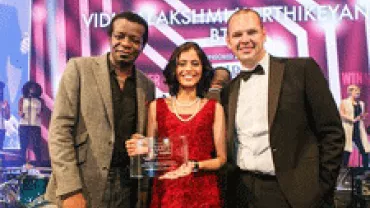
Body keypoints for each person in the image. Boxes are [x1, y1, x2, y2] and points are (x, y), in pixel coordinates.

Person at [221, 9, 345, 208]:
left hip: (293, 195)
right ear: (228, 42)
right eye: (237, 35)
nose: (245, 40)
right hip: (241, 193)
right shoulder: (228, 91)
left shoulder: (301, 70)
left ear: (264, 33)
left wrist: (320, 190)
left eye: (251, 32)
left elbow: (332, 133)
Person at [44, 11, 155, 208]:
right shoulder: (79, 69)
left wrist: (144, 185)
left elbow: (145, 140)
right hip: (83, 183)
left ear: (142, 46)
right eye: (119, 36)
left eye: (134, 39)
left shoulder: (146, 85)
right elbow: (60, 132)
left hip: (127, 187)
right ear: (110, 37)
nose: (126, 43)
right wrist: (71, 189)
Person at [126, 41, 226, 207]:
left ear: (203, 70)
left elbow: (221, 159)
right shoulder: (156, 107)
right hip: (167, 192)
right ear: (174, 69)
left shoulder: (214, 108)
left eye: (195, 64)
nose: (188, 69)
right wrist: (142, 146)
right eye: (182, 64)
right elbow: (151, 157)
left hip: (204, 193)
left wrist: (195, 166)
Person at [340, 85, 369, 168]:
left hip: (358, 130)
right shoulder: (344, 102)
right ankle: (344, 170)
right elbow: (341, 114)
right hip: (348, 129)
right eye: (356, 91)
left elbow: (359, 116)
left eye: (358, 91)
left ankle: (365, 170)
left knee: (365, 150)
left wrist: (362, 117)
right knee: (347, 150)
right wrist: (352, 119)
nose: (358, 92)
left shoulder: (361, 103)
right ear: (350, 92)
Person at [18, 81, 44, 166]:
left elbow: (42, 112)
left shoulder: (40, 100)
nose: (32, 89)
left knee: (36, 146)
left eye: (34, 88)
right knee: (23, 146)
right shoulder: (22, 99)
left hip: (35, 125)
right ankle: (23, 164)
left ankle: (39, 164)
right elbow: (20, 111)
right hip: (24, 125)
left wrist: (40, 114)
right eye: (31, 88)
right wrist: (21, 114)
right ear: (27, 89)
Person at [0, 81, 10, 163]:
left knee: (0, 149)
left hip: (1, 128)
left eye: (1, 89)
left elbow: (7, 117)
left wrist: (5, 108)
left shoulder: (4, 102)